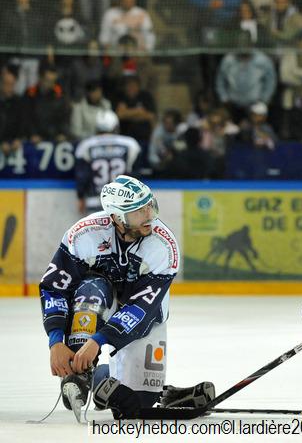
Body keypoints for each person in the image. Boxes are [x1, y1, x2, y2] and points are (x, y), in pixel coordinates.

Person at [39, 175, 212, 420]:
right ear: (117, 218)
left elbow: (141, 309)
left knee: (136, 403)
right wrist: (56, 341)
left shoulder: (164, 246)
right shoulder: (84, 234)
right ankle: (79, 375)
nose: (149, 216)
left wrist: (99, 340)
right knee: (92, 288)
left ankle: (121, 383)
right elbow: (55, 287)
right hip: (100, 301)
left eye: (149, 207)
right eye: (139, 212)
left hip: (146, 315)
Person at [74, 110, 141, 214]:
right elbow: (135, 175)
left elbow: (82, 176)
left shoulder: (86, 145)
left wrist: (80, 196)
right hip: (123, 203)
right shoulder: (130, 144)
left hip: (95, 200)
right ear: (116, 127)